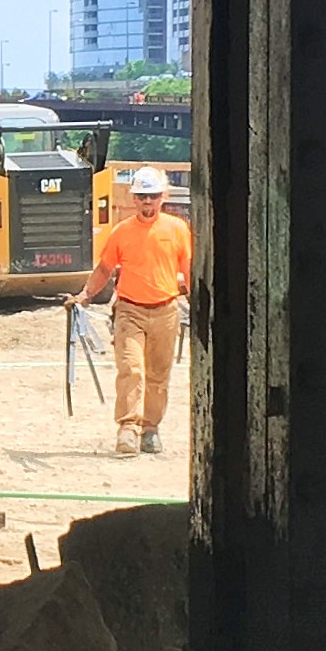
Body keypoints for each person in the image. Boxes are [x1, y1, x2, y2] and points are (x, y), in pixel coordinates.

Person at [80, 165, 193, 457]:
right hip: (130, 311)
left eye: (153, 196)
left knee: (158, 375)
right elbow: (105, 267)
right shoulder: (122, 232)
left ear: (162, 197)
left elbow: (189, 269)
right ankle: (128, 428)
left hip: (166, 310)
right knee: (131, 369)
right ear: (134, 199)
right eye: (142, 196)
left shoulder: (177, 229)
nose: (147, 202)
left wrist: (197, 300)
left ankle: (150, 429)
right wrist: (86, 294)